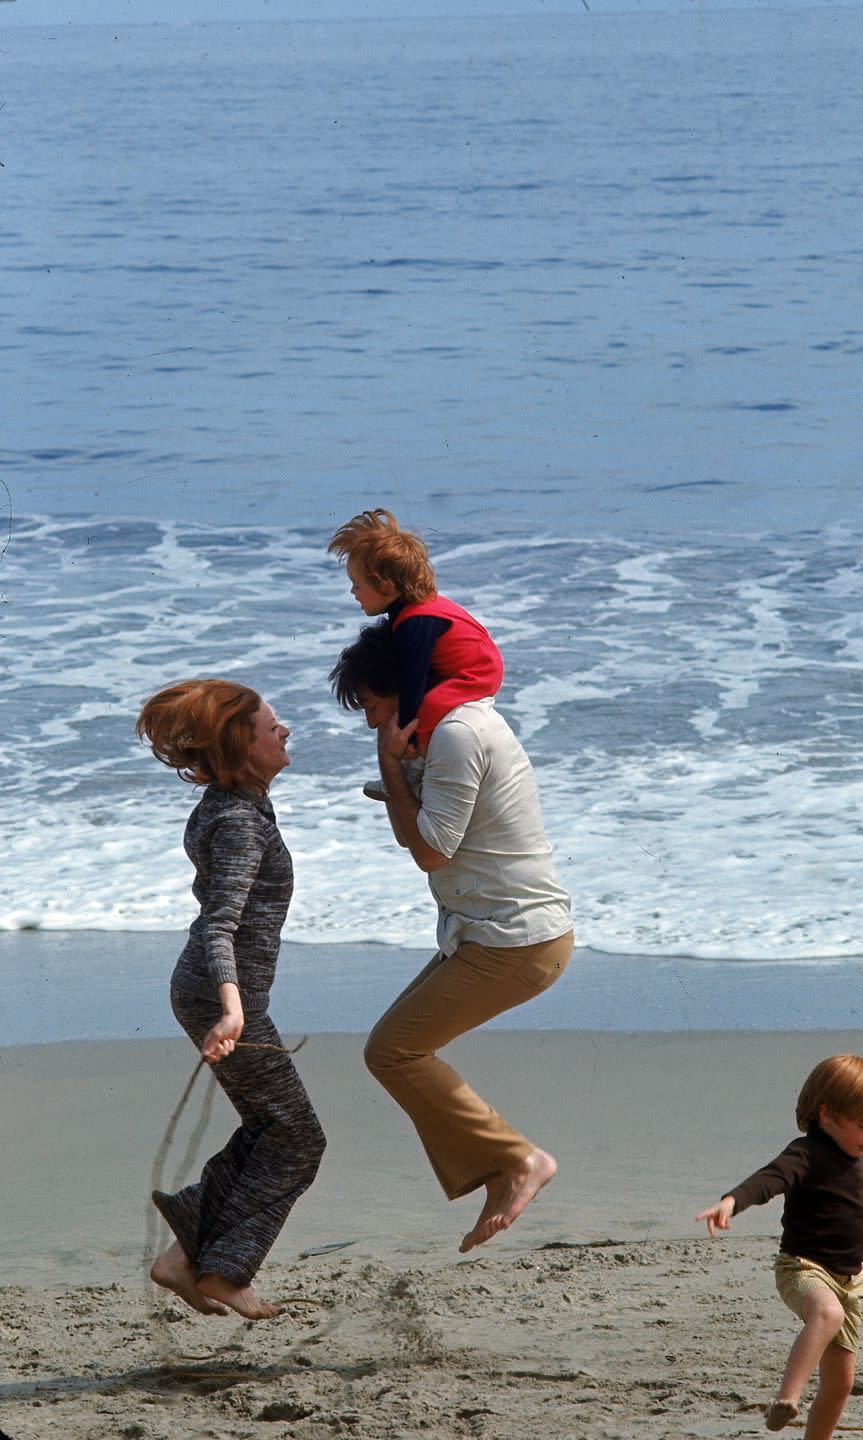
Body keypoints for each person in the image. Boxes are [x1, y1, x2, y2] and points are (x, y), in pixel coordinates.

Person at [329, 621, 573, 1253]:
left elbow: (430, 851)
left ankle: (520, 1161)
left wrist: (390, 762)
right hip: (489, 935)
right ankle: (502, 1168)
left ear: (406, 693)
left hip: (518, 940)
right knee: (391, 1051)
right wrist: (398, 772)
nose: (371, 723)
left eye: (375, 708)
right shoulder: (448, 731)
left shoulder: (461, 733)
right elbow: (424, 837)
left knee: (393, 1052)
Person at [136, 679, 326, 1320]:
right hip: (221, 996)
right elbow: (219, 925)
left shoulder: (232, 804)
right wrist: (233, 1007)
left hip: (213, 992)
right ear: (243, 746)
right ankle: (222, 1270)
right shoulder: (239, 821)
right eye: (272, 725)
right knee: (298, 1138)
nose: (285, 730)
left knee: (272, 1128)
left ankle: (184, 1257)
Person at [695, 1054, 863, 1438]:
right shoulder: (805, 1154)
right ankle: (787, 1397)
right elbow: (769, 1180)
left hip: (849, 1282)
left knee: (840, 1385)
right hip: (803, 1268)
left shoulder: (858, 1162)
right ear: (827, 1115)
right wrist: (731, 1201)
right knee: (827, 1314)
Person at [327, 509, 504, 795]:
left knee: (428, 705)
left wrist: (406, 737)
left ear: (385, 585)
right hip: (475, 665)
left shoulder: (415, 621)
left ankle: (413, 769)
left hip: (477, 672)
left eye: (357, 585)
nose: (353, 592)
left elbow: (413, 679)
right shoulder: (409, 613)